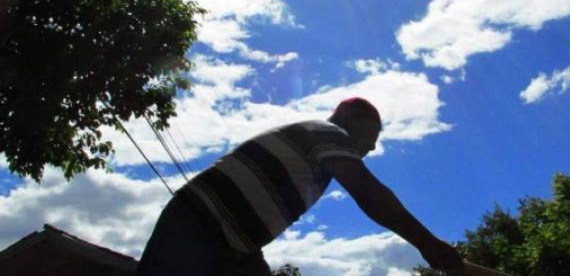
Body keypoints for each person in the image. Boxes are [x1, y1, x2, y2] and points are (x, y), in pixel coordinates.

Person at [136, 97, 464, 275]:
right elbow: (369, 194)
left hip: (238, 249)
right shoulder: (328, 134)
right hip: (199, 224)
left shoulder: (318, 149)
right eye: (373, 136)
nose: (374, 147)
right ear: (351, 119)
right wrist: (426, 242)